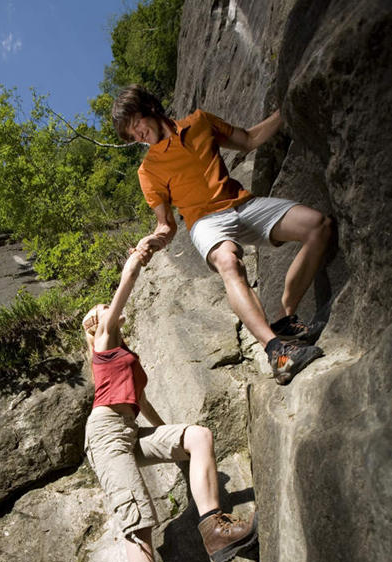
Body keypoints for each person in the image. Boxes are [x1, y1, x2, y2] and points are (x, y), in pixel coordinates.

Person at [83, 235, 257, 562]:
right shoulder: (104, 343)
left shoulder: (126, 357)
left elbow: (142, 405)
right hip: (105, 433)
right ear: (96, 327)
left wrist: (174, 442)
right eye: (101, 310)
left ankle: (214, 528)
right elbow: (124, 287)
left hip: (129, 429)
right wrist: (138, 257)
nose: (107, 310)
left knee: (198, 435)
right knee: (138, 522)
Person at [111, 85, 333, 385]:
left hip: (243, 205)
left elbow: (250, 139)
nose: (137, 135)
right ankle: (277, 354)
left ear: (148, 108)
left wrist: (287, 105)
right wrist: (153, 240)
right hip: (205, 223)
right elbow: (166, 225)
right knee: (229, 262)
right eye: (131, 135)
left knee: (319, 226)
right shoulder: (148, 171)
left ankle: (285, 320)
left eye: (135, 124)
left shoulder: (200, 122)